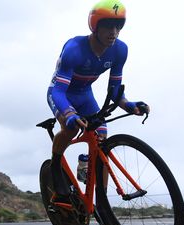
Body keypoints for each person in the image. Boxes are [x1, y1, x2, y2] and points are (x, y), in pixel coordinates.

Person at [46, 0, 149, 205]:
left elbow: (114, 91)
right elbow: (59, 90)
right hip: (62, 94)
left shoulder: (120, 50)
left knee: (102, 140)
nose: (114, 32)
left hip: (85, 95)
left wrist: (130, 105)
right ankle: (55, 167)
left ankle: (102, 202)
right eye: (108, 26)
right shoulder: (74, 49)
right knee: (70, 129)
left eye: (118, 27)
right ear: (95, 26)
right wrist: (69, 114)